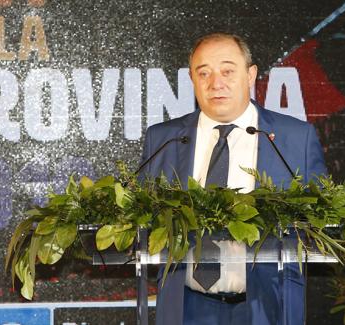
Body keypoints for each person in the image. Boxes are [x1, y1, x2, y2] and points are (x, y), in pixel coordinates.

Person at [140, 32, 326, 325]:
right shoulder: (163, 139)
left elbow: (320, 226)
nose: (216, 83)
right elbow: (142, 222)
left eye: (228, 71)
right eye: (204, 73)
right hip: (186, 306)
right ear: (192, 79)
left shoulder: (294, 138)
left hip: (265, 306)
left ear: (250, 75)